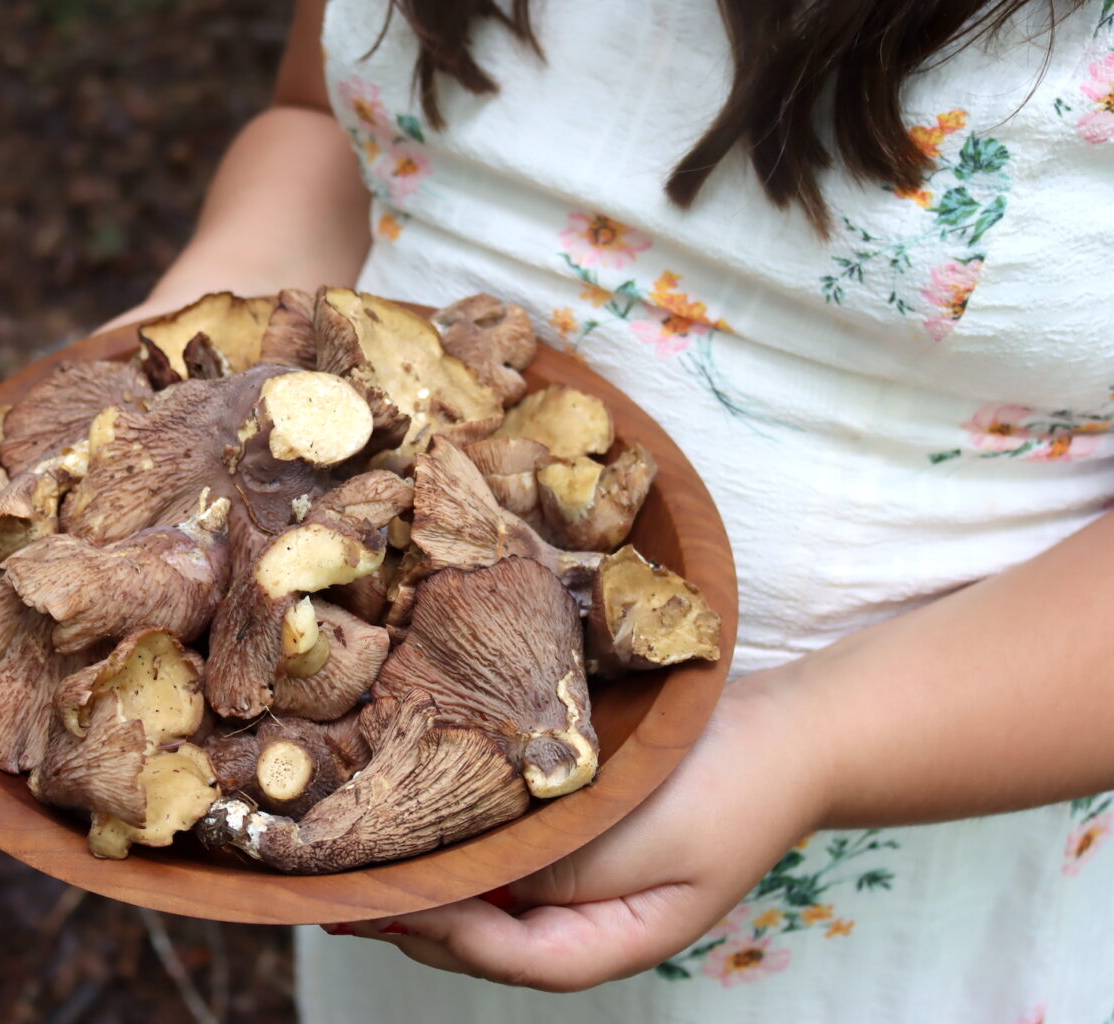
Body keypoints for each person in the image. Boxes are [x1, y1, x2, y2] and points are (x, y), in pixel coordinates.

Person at [107, 0, 1114, 1018]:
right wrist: (189, 370)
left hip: (874, 850)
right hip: (373, 774)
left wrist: (809, 748)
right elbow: (320, 116)